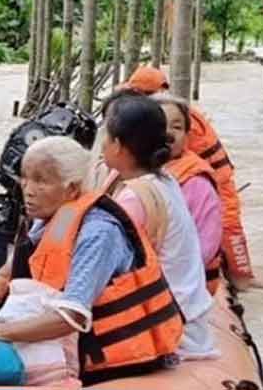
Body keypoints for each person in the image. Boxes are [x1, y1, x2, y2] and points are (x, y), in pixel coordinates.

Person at [0, 136, 183, 383]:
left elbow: (71, 317)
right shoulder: (51, 217)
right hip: (50, 339)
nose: (28, 190)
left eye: (41, 181)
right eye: (25, 178)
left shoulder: (98, 232)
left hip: (109, 361)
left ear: (72, 188)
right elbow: (5, 274)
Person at [98, 95, 216, 359]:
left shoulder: (134, 198)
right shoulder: (165, 180)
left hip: (171, 327)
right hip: (186, 315)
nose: (101, 143)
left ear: (118, 145)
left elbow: (107, 267)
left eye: (105, 136)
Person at [121, 65, 258, 289]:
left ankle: (241, 277)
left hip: (216, 177)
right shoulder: (165, 116)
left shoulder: (178, 127)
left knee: (229, 223)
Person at [153, 93, 223, 295]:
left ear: (186, 135)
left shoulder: (196, 182)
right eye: (161, 126)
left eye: (177, 127)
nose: (169, 134)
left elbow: (206, 247)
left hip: (181, 285)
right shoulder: (132, 170)